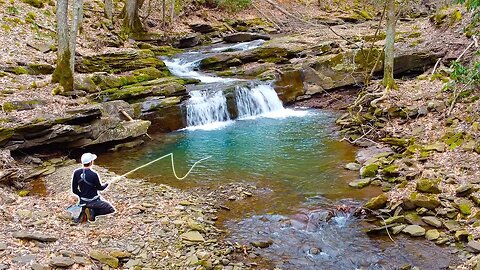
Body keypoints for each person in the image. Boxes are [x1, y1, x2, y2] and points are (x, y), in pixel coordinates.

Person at [71, 153, 115, 222]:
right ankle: (93, 213)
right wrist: (107, 183)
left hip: (83, 201)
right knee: (110, 209)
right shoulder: (94, 174)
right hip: (94, 201)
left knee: (93, 205)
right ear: (91, 162)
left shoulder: (76, 172)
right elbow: (100, 188)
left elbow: (74, 190)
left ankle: (87, 210)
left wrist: (81, 195)